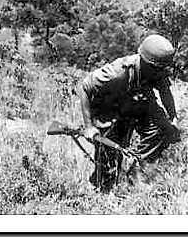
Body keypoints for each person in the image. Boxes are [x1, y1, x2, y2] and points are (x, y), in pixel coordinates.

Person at [77, 34, 181, 191]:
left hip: (137, 103)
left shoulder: (157, 69)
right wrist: (89, 126)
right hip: (109, 109)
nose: (162, 73)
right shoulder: (118, 73)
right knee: (109, 159)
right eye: (158, 69)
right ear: (147, 63)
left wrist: (173, 117)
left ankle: (137, 173)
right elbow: (84, 87)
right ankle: (102, 190)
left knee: (163, 129)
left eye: (163, 69)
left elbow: (165, 91)